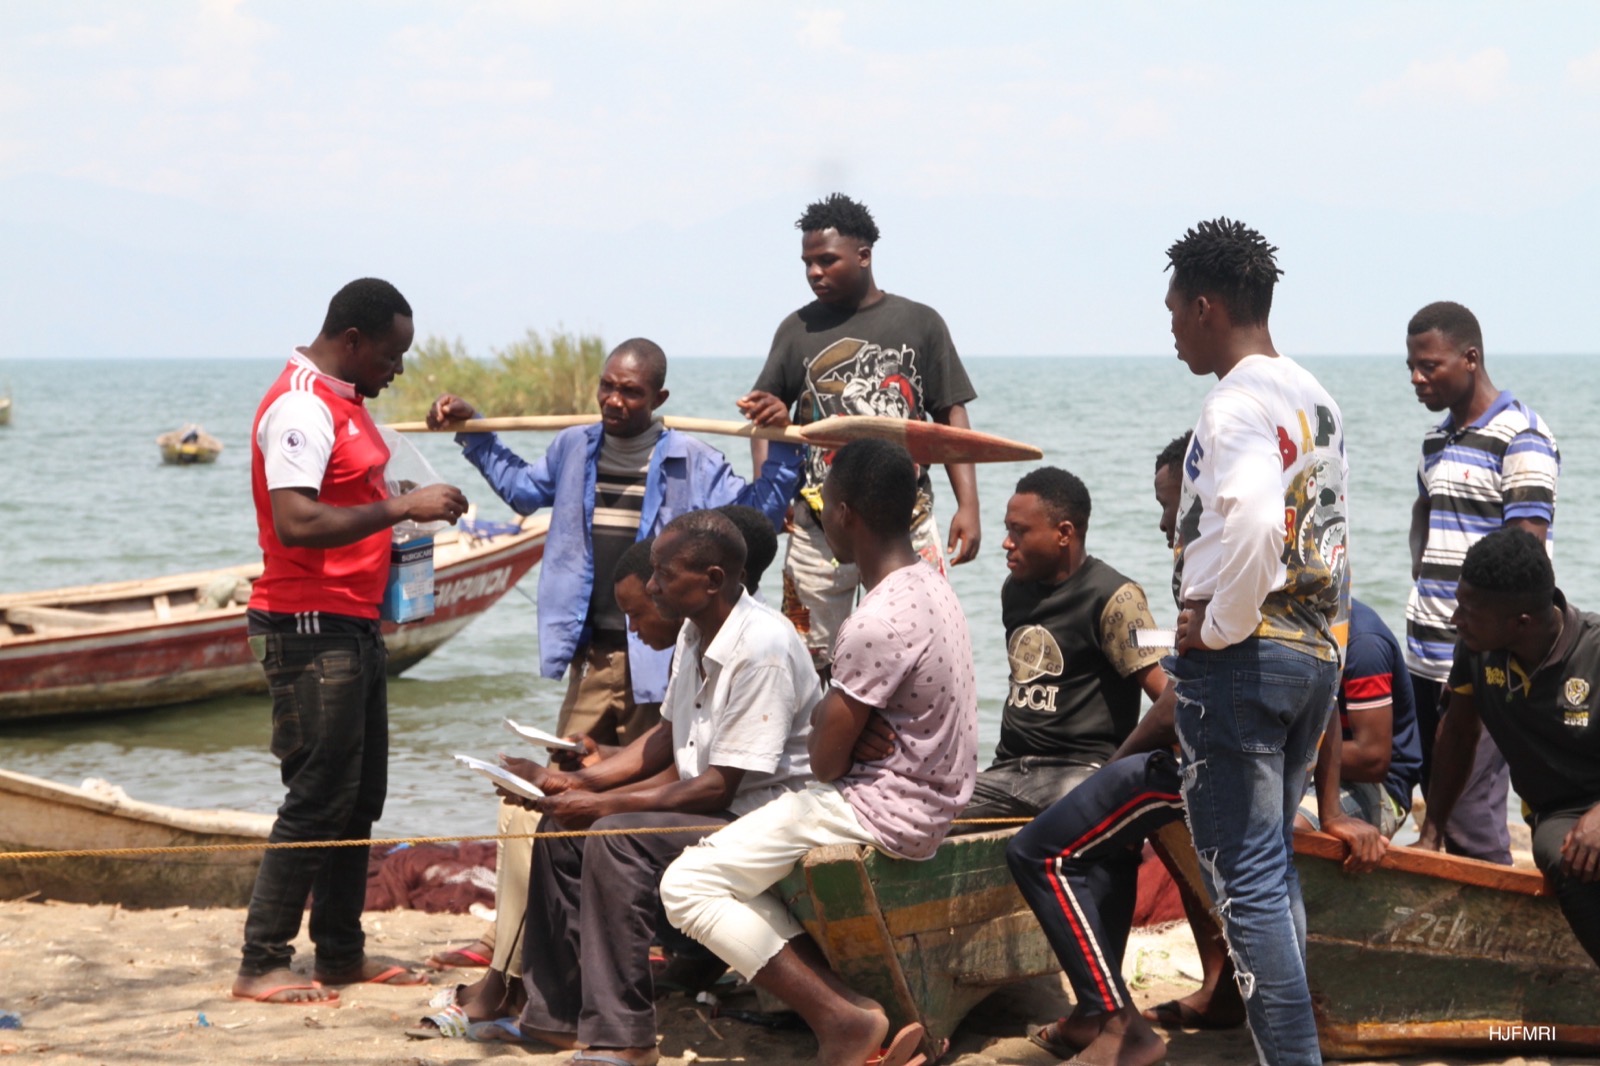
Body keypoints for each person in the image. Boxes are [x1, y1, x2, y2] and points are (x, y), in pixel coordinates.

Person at [661, 439, 978, 1066]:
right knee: (734, 864)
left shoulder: (874, 620)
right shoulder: (932, 586)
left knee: (687, 885)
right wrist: (850, 723)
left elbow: (827, 762)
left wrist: (842, 727)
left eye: (821, 504)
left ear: (844, 514)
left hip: (880, 809)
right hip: (931, 802)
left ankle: (841, 1017)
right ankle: (843, 1008)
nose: (816, 516)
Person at [465, 510, 819, 1060]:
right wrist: (569, 783)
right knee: (560, 830)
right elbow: (666, 739)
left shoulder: (762, 648)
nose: (652, 586)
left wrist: (598, 803)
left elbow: (718, 788)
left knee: (615, 838)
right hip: (718, 807)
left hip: (761, 817)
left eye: (663, 575)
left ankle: (624, 1036)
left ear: (713, 580)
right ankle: (557, 1016)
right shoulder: (695, 633)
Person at [232, 278, 469, 1005]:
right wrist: (403, 506)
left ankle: (339, 952)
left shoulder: (347, 402)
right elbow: (297, 521)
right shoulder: (302, 404)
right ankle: (262, 960)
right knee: (316, 797)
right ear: (354, 340)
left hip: (353, 621)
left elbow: (349, 497)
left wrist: (397, 512)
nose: (398, 369)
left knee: (359, 797)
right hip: (307, 625)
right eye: (392, 355)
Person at [1165, 217, 1350, 1065]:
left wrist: (1217, 626)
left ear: (1206, 307)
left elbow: (1255, 524)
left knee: (1244, 879)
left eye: (1175, 313)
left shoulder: (1234, 400)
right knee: (1271, 870)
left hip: (1246, 659)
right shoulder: (1315, 397)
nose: (1172, 331)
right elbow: (1325, 532)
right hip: (1314, 650)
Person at [429, 338, 802, 744]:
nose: (613, 401)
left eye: (630, 392)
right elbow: (522, 491)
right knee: (568, 766)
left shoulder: (693, 460)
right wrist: (475, 432)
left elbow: (758, 518)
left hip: (663, 655)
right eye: (606, 386)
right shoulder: (573, 447)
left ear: (659, 399)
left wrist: (782, 440)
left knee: (650, 767)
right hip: (592, 653)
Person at [415, 537, 684, 1033]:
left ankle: (512, 985)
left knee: (544, 817)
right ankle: (511, 977)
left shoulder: (737, 647)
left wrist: (590, 793)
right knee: (525, 807)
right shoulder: (693, 647)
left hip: (704, 811)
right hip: (683, 795)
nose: (630, 629)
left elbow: (702, 775)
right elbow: (668, 741)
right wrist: (584, 770)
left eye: (638, 612)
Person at [738, 193, 981, 672]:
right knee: (808, 661)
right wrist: (771, 488)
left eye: (827, 260)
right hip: (819, 527)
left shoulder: (920, 323)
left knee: (920, 645)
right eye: (807, 263)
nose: (814, 272)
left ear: (864, 255)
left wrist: (969, 505)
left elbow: (950, 416)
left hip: (906, 523)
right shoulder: (797, 329)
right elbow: (763, 418)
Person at [1404, 300, 1560, 865]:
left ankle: (1493, 909)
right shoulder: (1436, 440)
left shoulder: (1522, 436)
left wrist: (1483, 643)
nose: (1417, 378)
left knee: (1471, 813)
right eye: (1411, 367)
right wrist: (1424, 577)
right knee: (1435, 794)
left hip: (1481, 656)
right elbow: (1425, 515)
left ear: (1470, 358)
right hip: (1425, 650)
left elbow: (1524, 556)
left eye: (1430, 366)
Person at [1417, 528, 1600, 968]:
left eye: (1469, 611)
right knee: (1566, 856)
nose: (1455, 619)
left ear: (1522, 622)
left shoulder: (1593, 651)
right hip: (1559, 812)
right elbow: (1459, 735)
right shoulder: (1476, 651)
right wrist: (1431, 834)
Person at [956, 466, 1167, 827]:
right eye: (1007, 529)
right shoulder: (1015, 589)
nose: (1007, 542)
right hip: (1008, 771)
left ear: (1064, 533)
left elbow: (1167, 699)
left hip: (1078, 772)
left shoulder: (1116, 598)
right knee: (925, 812)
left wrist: (1118, 772)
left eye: (1019, 531)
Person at [1294, 599, 1423, 839]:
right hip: (1304, 766)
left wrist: (1283, 754)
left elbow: (1372, 759)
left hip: (1377, 787)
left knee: (1296, 827)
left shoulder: (1364, 646)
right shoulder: (1289, 626)